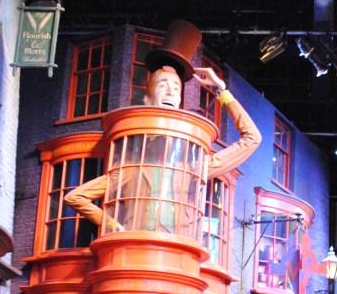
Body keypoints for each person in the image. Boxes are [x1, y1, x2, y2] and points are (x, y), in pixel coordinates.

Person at [63, 21, 261, 234]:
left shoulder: (193, 167)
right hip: (136, 242)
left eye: (176, 88)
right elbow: (75, 197)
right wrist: (113, 224)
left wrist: (222, 91)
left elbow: (252, 138)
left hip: (177, 243)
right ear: (148, 100)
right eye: (162, 86)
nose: (170, 92)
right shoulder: (131, 170)